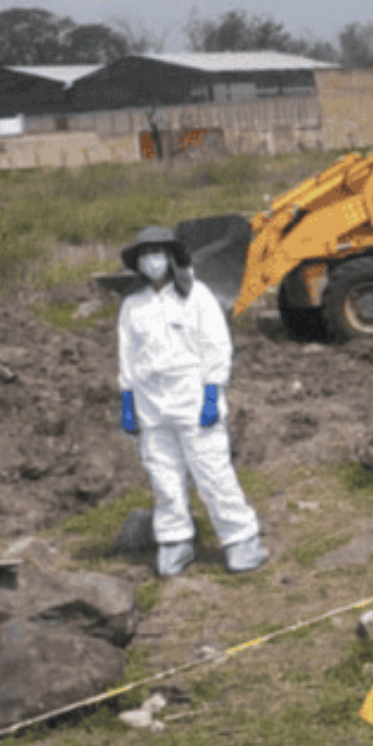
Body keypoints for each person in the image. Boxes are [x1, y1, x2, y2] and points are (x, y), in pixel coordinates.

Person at [117, 226, 268, 577]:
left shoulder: (197, 296)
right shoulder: (132, 304)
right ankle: (175, 540)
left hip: (195, 401)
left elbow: (217, 346)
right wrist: (127, 401)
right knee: (164, 477)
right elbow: (128, 356)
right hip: (151, 406)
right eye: (145, 254)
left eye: (158, 253)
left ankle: (241, 539)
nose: (152, 261)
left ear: (172, 257)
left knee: (213, 473)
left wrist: (212, 393)